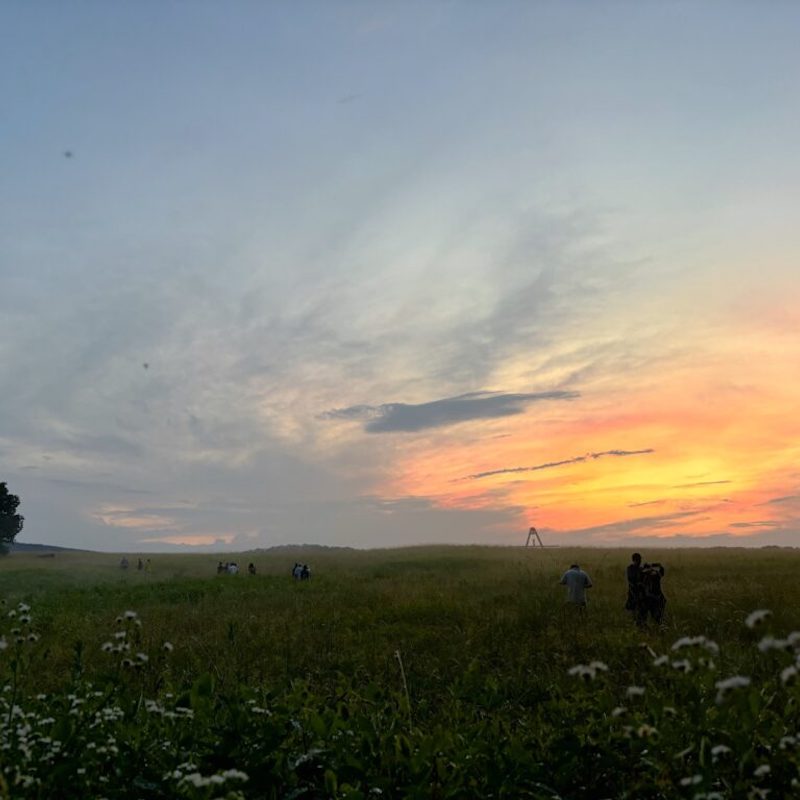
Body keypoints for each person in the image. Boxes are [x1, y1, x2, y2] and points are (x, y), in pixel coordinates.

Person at [625, 552, 645, 624]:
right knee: (633, 609)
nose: (640, 561)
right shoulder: (630, 568)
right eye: (638, 560)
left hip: (640, 592)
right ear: (634, 560)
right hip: (633, 591)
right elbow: (631, 579)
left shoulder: (640, 569)